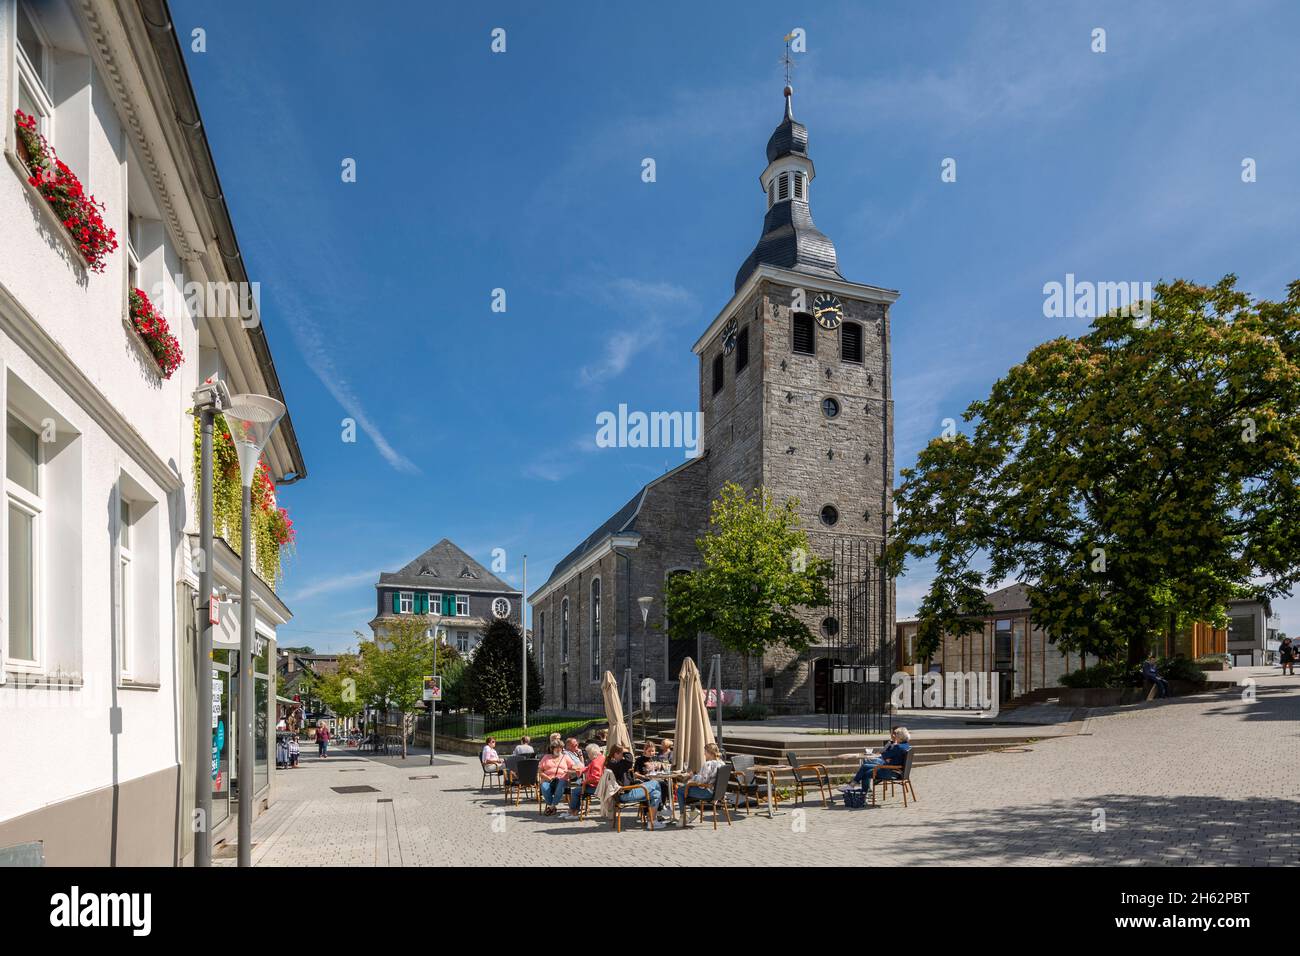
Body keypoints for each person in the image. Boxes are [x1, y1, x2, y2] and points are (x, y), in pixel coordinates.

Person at [606, 744, 665, 828]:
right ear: (615, 754)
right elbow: (630, 761)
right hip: (625, 794)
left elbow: (628, 763)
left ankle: (651, 821)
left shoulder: (612, 763)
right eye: (621, 754)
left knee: (656, 793)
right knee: (656, 783)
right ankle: (655, 816)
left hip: (624, 792)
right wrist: (626, 751)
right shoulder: (615, 764)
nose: (623, 756)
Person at [844, 727, 911, 791]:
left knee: (865, 773)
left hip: (890, 772)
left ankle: (862, 792)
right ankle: (852, 786)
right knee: (865, 766)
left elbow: (883, 756)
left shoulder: (898, 747)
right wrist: (888, 758)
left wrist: (888, 757)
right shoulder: (906, 745)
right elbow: (887, 757)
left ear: (900, 737)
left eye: (896, 735)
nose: (895, 736)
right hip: (897, 771)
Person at [674, 742, 725, 816]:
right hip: (718, 793)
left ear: (709, 753)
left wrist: (692, 776)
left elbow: (702, 781)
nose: (704, 754)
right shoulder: (722, 763)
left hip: (708, 792)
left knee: (680, 790)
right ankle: (693, 812)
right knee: (687, 788)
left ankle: (683, 816)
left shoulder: (708, 764)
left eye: (705, 752)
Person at [560, 744, 606, 820]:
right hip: (600, 785)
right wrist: (579, 770)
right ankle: (573, 811)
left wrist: (585, 782)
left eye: (588, 754)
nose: (588, 756)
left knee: (575, 791)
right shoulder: (601, 757)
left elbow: (595, 777)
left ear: (591, 753)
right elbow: (588, 767)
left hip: (596, 787)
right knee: (577, 789)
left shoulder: (595, 762)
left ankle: (573, 812)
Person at [538, 741, 581, 815]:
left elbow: (573, 766)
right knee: (544, 788)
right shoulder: (546, 757)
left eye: (560, 748)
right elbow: (540, 771)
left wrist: (576, 767)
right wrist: (548, 778)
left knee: (560, 785)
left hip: (562, 778)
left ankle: (551, 807)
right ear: (552, 749)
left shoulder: (565, 757)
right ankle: (553, 807)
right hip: (548, 779)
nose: (559, 749)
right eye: (556, 748)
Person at [634, 739, 672, 818]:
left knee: (665, 784)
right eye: (649, 751)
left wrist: (661, 767)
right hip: (645, 780)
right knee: (660, 785)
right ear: (645, 751)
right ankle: (656, 810)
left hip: (656, 779)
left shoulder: (656, 759)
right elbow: (635, 773)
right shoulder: (640, 760)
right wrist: (644, 776)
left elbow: (662, 770)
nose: (652, 753)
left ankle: (661, 807)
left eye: (653, 751)